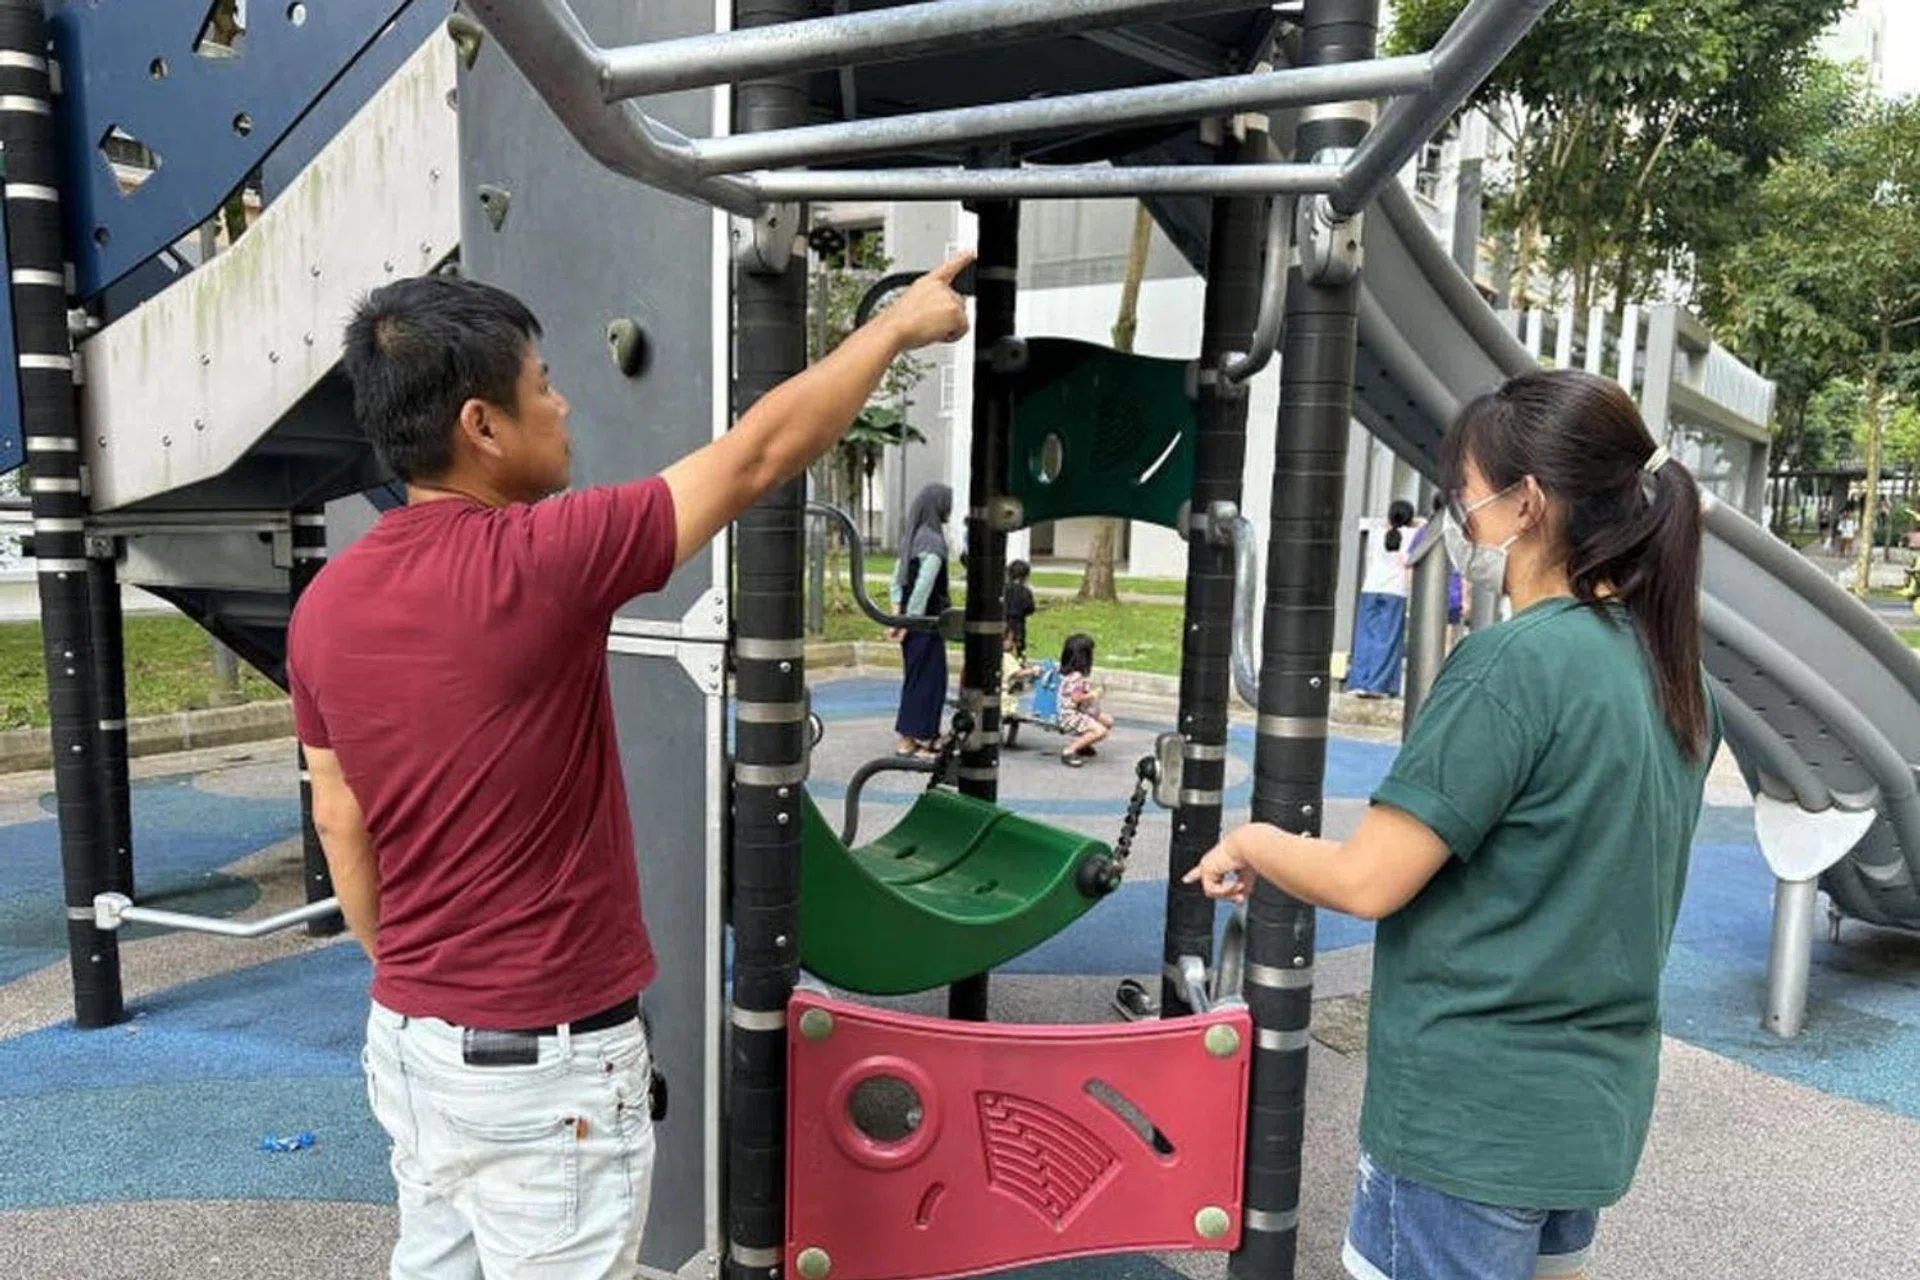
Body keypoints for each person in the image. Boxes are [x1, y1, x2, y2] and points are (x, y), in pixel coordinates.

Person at [288, 254, 972, 1278]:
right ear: (481, 425)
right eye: (543, 385)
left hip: (411, 1042)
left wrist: (418, 976)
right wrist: (894, 328)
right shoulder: (540, 558)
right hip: (546, 1066)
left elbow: (339, 816)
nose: (563, 406)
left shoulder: (325, 606)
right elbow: (756, 456)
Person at [1186, 368, 1718, 1280]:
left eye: (1465, 498)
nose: (1461, 524)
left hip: (1467, 1115)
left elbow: (1367, 881)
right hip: (1588, 1110)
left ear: (1527, 504)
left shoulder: (1510, 666)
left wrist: (1252, 840)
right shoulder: (1678, 677)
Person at [886, 482, 952, 759]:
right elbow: (924, 586)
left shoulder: (911, 537)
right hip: (926, 622)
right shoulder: (934, 542)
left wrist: (896, 618)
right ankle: (914, 740)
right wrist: (909, 621)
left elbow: (896, 581)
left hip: (912, 623)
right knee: (929, 680)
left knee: (917, 677)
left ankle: (922, 736)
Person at [1346, 499, 1416, 697]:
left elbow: (1366, 522)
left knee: (1365, 636)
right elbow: (1426, 525)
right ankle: (1378, 685)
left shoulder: (1377, 532)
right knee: (1387, 640)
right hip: (1395, 591)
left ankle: (1359, 681)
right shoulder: (1411, 535)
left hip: (1370, 588)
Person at [1406, 492, 1465, 643]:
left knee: (1427, 637)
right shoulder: (1458, 532)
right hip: (1454, 594)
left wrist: (1411, 592)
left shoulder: (1424, 532)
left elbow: (1411, 561)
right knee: (1449, 641)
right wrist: (1467, 597)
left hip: (1426, 593)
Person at [1056, 631, 1112, 767]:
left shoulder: (1070, 674)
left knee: (1108, 721)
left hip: (1075, 711)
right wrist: (1094, 694)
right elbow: (1077, 698)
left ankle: (1085, 743)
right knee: (1101, 731)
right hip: (1070, 716)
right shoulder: (1077, 678)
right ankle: (1069, 750)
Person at [1003, 558, 1037, 656]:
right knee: (1018, 649)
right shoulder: (1025, 591)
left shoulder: (1003, 589)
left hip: (1003, 623)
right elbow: (1030, 608)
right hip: (1018, 625)